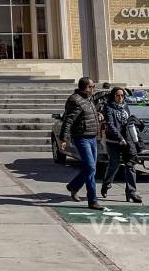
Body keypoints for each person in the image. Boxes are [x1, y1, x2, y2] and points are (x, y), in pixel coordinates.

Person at [59, 77, 104, 211]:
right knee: (90, 167)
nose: (94, 88)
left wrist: (97, 114)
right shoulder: (75, 100)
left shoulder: (89, 99)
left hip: (92, 137)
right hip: (81, 137)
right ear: (86, 88)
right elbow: (68, 120)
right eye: (92, 86)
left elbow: (86, 114)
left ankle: (85, 195)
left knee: (91, 169)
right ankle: (84, 193)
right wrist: (63, 139)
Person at [101, 87, 142, 203]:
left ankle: (131, 193)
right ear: (113, 96)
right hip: (114, 141)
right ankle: (106, 184)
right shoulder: (108, 107)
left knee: (130, 165)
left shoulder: (125, 106)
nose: (120, 98)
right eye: (118, 96)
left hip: (127, 141)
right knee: (114, 164)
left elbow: (127, 121)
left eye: (122, 96)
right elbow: (110, 124)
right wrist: (120, 137)